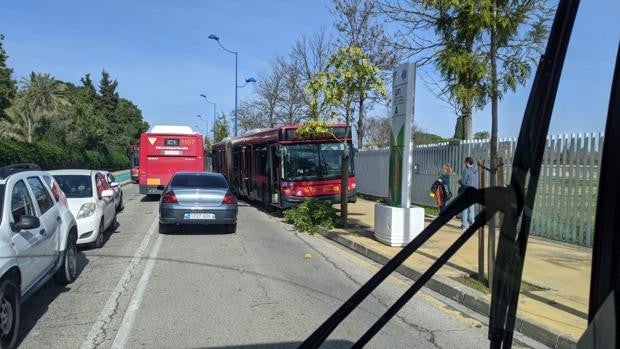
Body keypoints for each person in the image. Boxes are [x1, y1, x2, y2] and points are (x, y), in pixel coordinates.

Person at [459, 157, 478, 230]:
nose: (465, 164)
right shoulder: (476, 171)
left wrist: (460, 181)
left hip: (466, 191)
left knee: (464, 209)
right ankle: (472, 224)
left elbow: (463, 182)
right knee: (471, 208)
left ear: (467, 163)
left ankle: (465, 225)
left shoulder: (466, 171)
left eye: (465, 162)